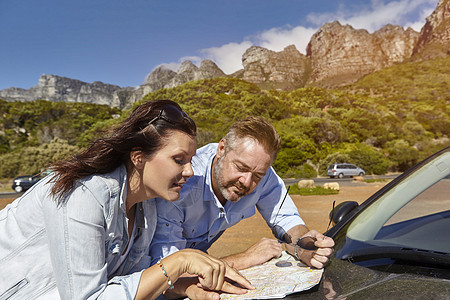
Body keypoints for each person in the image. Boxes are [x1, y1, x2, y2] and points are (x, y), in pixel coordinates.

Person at [0, 100, 253, 300]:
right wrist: (178, 261)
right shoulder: (85, 195)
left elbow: (135, 283)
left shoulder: (148, 206)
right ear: (138, 157)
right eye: (179, 160)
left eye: (190, 160)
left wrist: (183, 288)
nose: (189, 171)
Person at [150, 116, 335, 299]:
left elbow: (286, 219)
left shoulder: (263, 174)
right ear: (221, 149)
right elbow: (168, 276)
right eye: (240, 167)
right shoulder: (181, 183)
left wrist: (305, 244)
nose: (246, 182)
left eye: (257, 176)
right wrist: (245, 258)